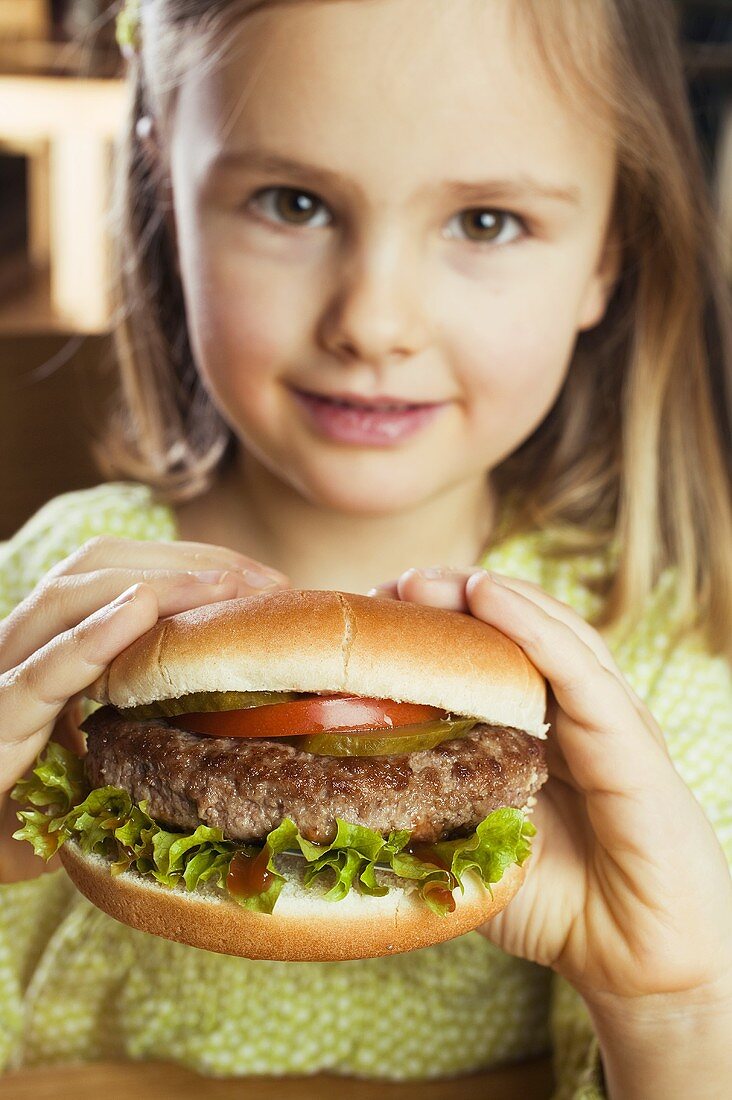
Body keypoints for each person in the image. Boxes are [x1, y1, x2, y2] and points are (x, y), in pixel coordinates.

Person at [1, 0, 730, 1094]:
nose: (374, 320)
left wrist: (671, 1006)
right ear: (163, 189)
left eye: (486, 221)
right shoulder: (43, 598)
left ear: (607, 255)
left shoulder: (659, 667)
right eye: (292, 203)